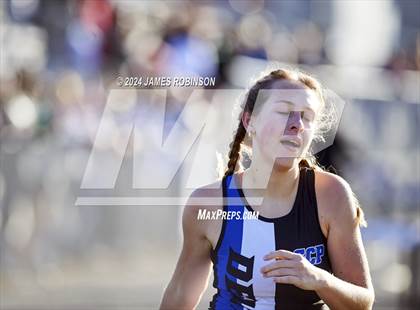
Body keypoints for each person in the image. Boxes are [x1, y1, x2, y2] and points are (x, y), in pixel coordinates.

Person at [160, 68, 375, 309]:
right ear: (249, 121)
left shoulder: (331, 194)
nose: (297, 125)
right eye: (284, 111)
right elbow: (180, 297)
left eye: (307, 117)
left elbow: (362, 303)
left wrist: (320, 279)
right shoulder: (209, 203)